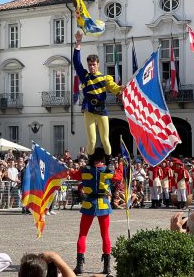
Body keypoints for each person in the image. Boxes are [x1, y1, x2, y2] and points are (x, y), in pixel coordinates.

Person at [73, 30, 124, 167]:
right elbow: (76, 63)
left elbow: (114, 88)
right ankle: (90, 161)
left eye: (94, 64)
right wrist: (78, 43)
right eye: (90, 64)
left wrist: (122, 88)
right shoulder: (84, 76)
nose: (91, 67)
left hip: (102, 111)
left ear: (98, 64)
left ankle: (108, 162)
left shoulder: (105, 78)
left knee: (105, 140)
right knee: (92, 141)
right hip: (89, 111)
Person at [69, 147, 122, 275]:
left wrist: (69, 169)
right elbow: (119, 176)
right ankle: (107, 267)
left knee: (83, 235)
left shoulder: (84, 170)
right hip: (103, 204)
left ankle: (79, 266)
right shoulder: (108, 170)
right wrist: (120, 163)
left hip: (88, 204)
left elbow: (73, 174)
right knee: (105, 236)